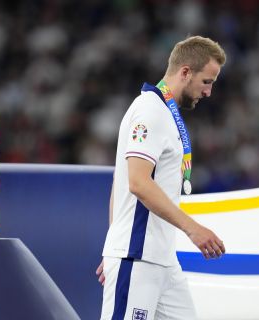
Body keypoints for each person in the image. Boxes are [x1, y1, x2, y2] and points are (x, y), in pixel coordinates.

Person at [96, 36, 227, 320]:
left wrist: (113, 242)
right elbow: (137, 182)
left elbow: (118, 183)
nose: (209, 92)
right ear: (185, 72)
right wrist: (193, 229)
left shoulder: (164, 114)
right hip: (138, 257)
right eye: (207, 81)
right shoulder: (150, 111)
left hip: (161, 259)